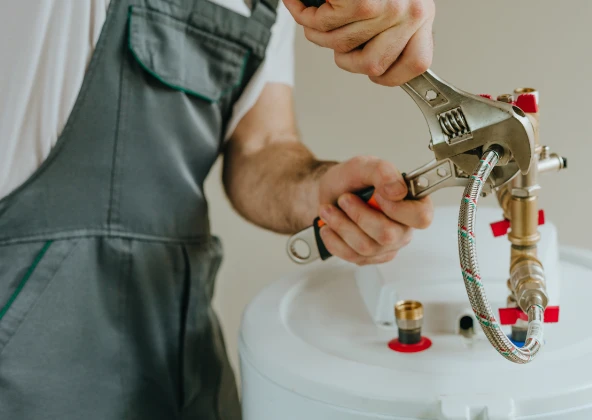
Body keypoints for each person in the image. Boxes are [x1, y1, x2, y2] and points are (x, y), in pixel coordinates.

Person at [0, 0, 435, 418]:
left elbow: (262, 146)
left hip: (179, 355)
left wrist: (323, 194)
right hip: (25, 347)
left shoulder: (271, 8)